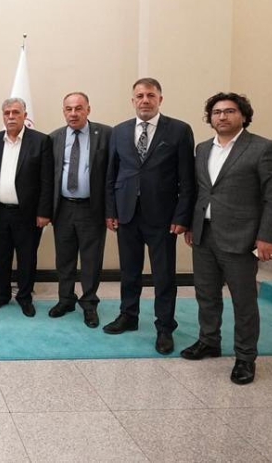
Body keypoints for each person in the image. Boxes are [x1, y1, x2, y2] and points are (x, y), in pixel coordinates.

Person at [182, 93, 272, 385]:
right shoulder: (203, 148)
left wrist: (268, 237)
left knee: (243, 300)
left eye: (229, 111)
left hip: (241, 237)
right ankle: (209, 340)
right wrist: (192, 225)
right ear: (210, 118)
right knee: (206, 294)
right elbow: (201, 191)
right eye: (216, 112)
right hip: (204, 233)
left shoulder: (263, 148)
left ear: (243, 115)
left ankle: (245, 357)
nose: (222, 117)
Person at [105, 78, 195, 354]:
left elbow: (187, 179)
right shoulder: (119, 131)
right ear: (133, 100)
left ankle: (165, 326)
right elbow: (111, 175)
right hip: (127, 214)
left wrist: (182, 216)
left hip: (163, 218)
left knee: (164, 275)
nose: (145, 100)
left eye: (151, 95)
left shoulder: (179, 130)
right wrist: (111, 211)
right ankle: (128, 315)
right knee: (129, 271)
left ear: (160, 99)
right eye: (140, 96)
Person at [0, 98, 53, 317]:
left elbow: (47, 180)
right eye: (7, 113)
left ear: (24, 115)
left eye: (16, 112)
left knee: (27, 258)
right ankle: (0, 295)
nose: (11, 116)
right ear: (3, 116)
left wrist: (44, 212)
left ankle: (24, 297)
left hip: (27, 213)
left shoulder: (41, 141)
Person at [49, 92, 112, 328]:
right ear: (63, 111)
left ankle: (89, 304)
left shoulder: (106, 134)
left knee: (91, 260)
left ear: (88, 109)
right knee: (64, 258)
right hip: (63, 207)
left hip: (91, 208)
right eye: (69, 109)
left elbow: (112, 174)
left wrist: (110, 211)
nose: (73, 113)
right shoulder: (54, 137)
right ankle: (65, 299)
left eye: (78, 108)